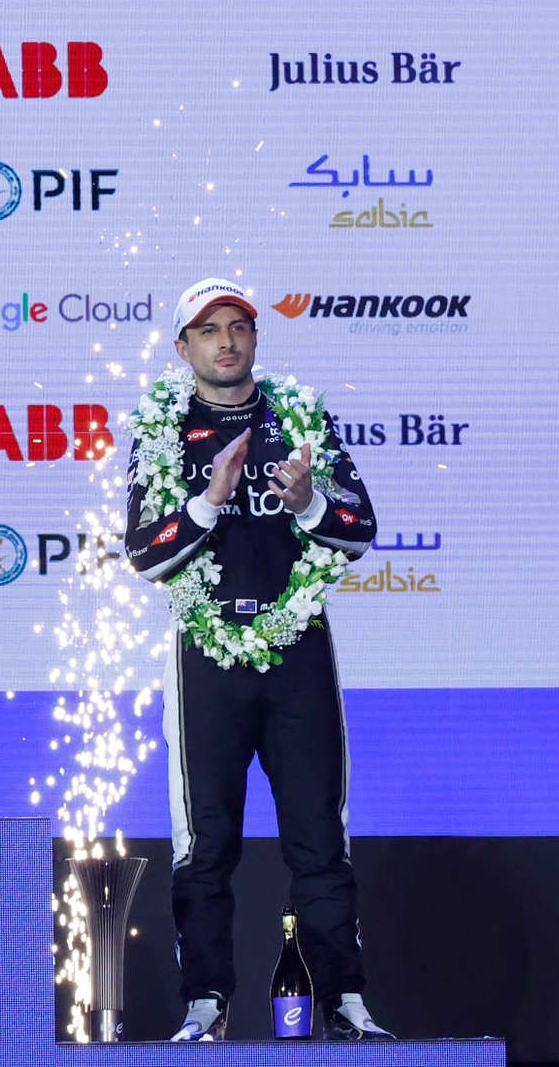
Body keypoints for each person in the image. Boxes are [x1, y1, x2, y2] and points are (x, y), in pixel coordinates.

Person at [125, 278, 393, 1042]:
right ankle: (205, 1006)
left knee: (319, 838)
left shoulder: (299, 418)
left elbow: (359, 529)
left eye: (238, 326)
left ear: (255, 338)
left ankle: (345, 1005)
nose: (227, 341)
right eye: (209, 330)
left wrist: (308, 502)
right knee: (205, 844)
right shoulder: (162, 428)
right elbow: (144, 553)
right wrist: (209, 499)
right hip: (206, 657)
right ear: (183, 347)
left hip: (297, 650)